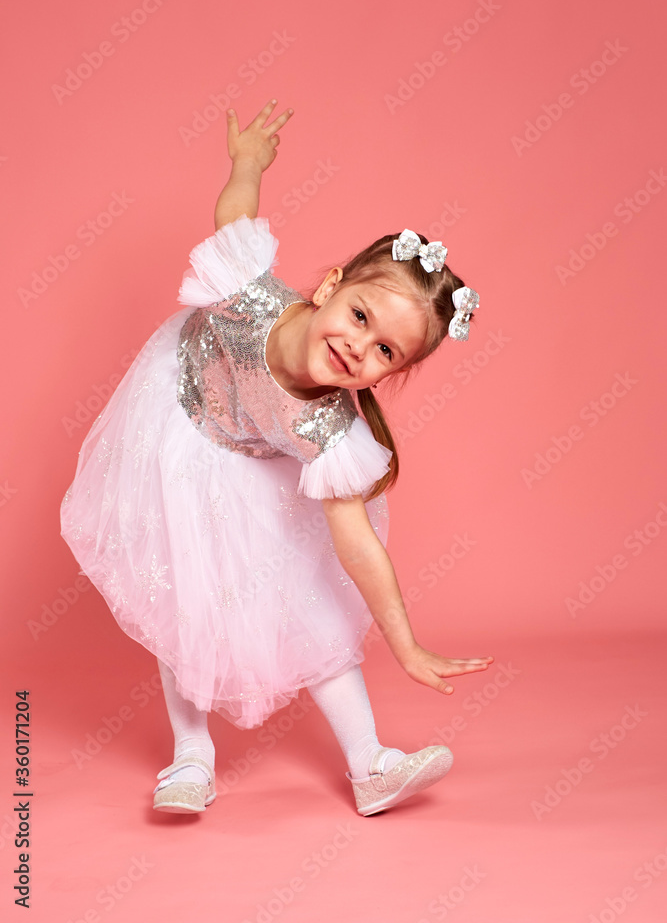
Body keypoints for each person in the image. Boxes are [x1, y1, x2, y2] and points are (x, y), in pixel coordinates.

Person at [60, 99, 494, 818]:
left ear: (387, 375)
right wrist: (248, 163)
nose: (360, 346)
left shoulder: (328, 427)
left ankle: (370, 764)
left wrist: (406, 642)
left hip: (252, 457)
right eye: (359, 317)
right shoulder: (249, 300)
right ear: (328, 288)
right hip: (182, 423)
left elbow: (357, 548)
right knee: (186, 598)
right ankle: (190, 756)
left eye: (384, 350)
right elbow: (234, 214)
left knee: (310, 601)